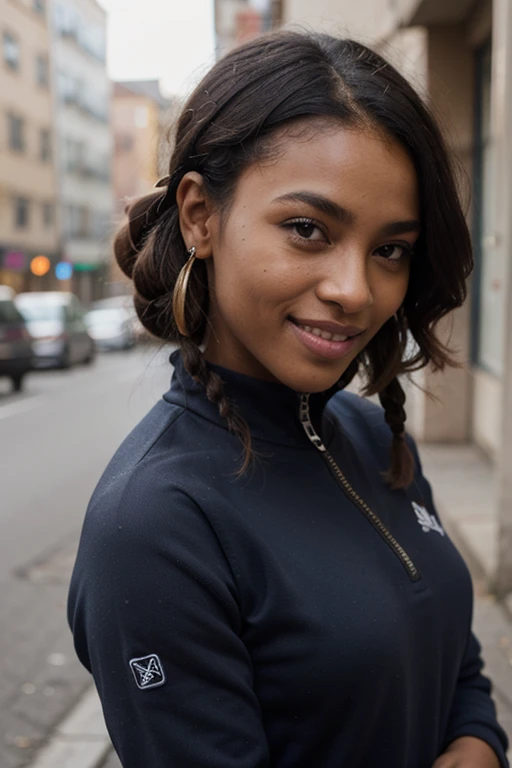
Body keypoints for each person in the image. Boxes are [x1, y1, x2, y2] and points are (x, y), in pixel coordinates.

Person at [68, 29, 509, 768]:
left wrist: (478, 743)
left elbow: (455, 661)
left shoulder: (373, 440)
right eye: (308, 230)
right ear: (201, 216)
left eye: (390, 249)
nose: (354, 290)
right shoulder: (153, 526)